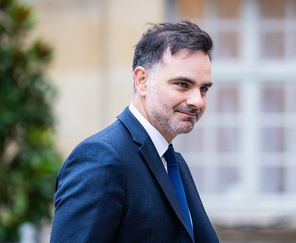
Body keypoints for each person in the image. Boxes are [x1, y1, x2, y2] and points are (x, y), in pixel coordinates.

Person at [50, 21, 219, 243]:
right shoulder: (101, 158)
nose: (197, 101)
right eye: (182, 84)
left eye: (203, 89)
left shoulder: (174, 162)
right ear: (142, 81)